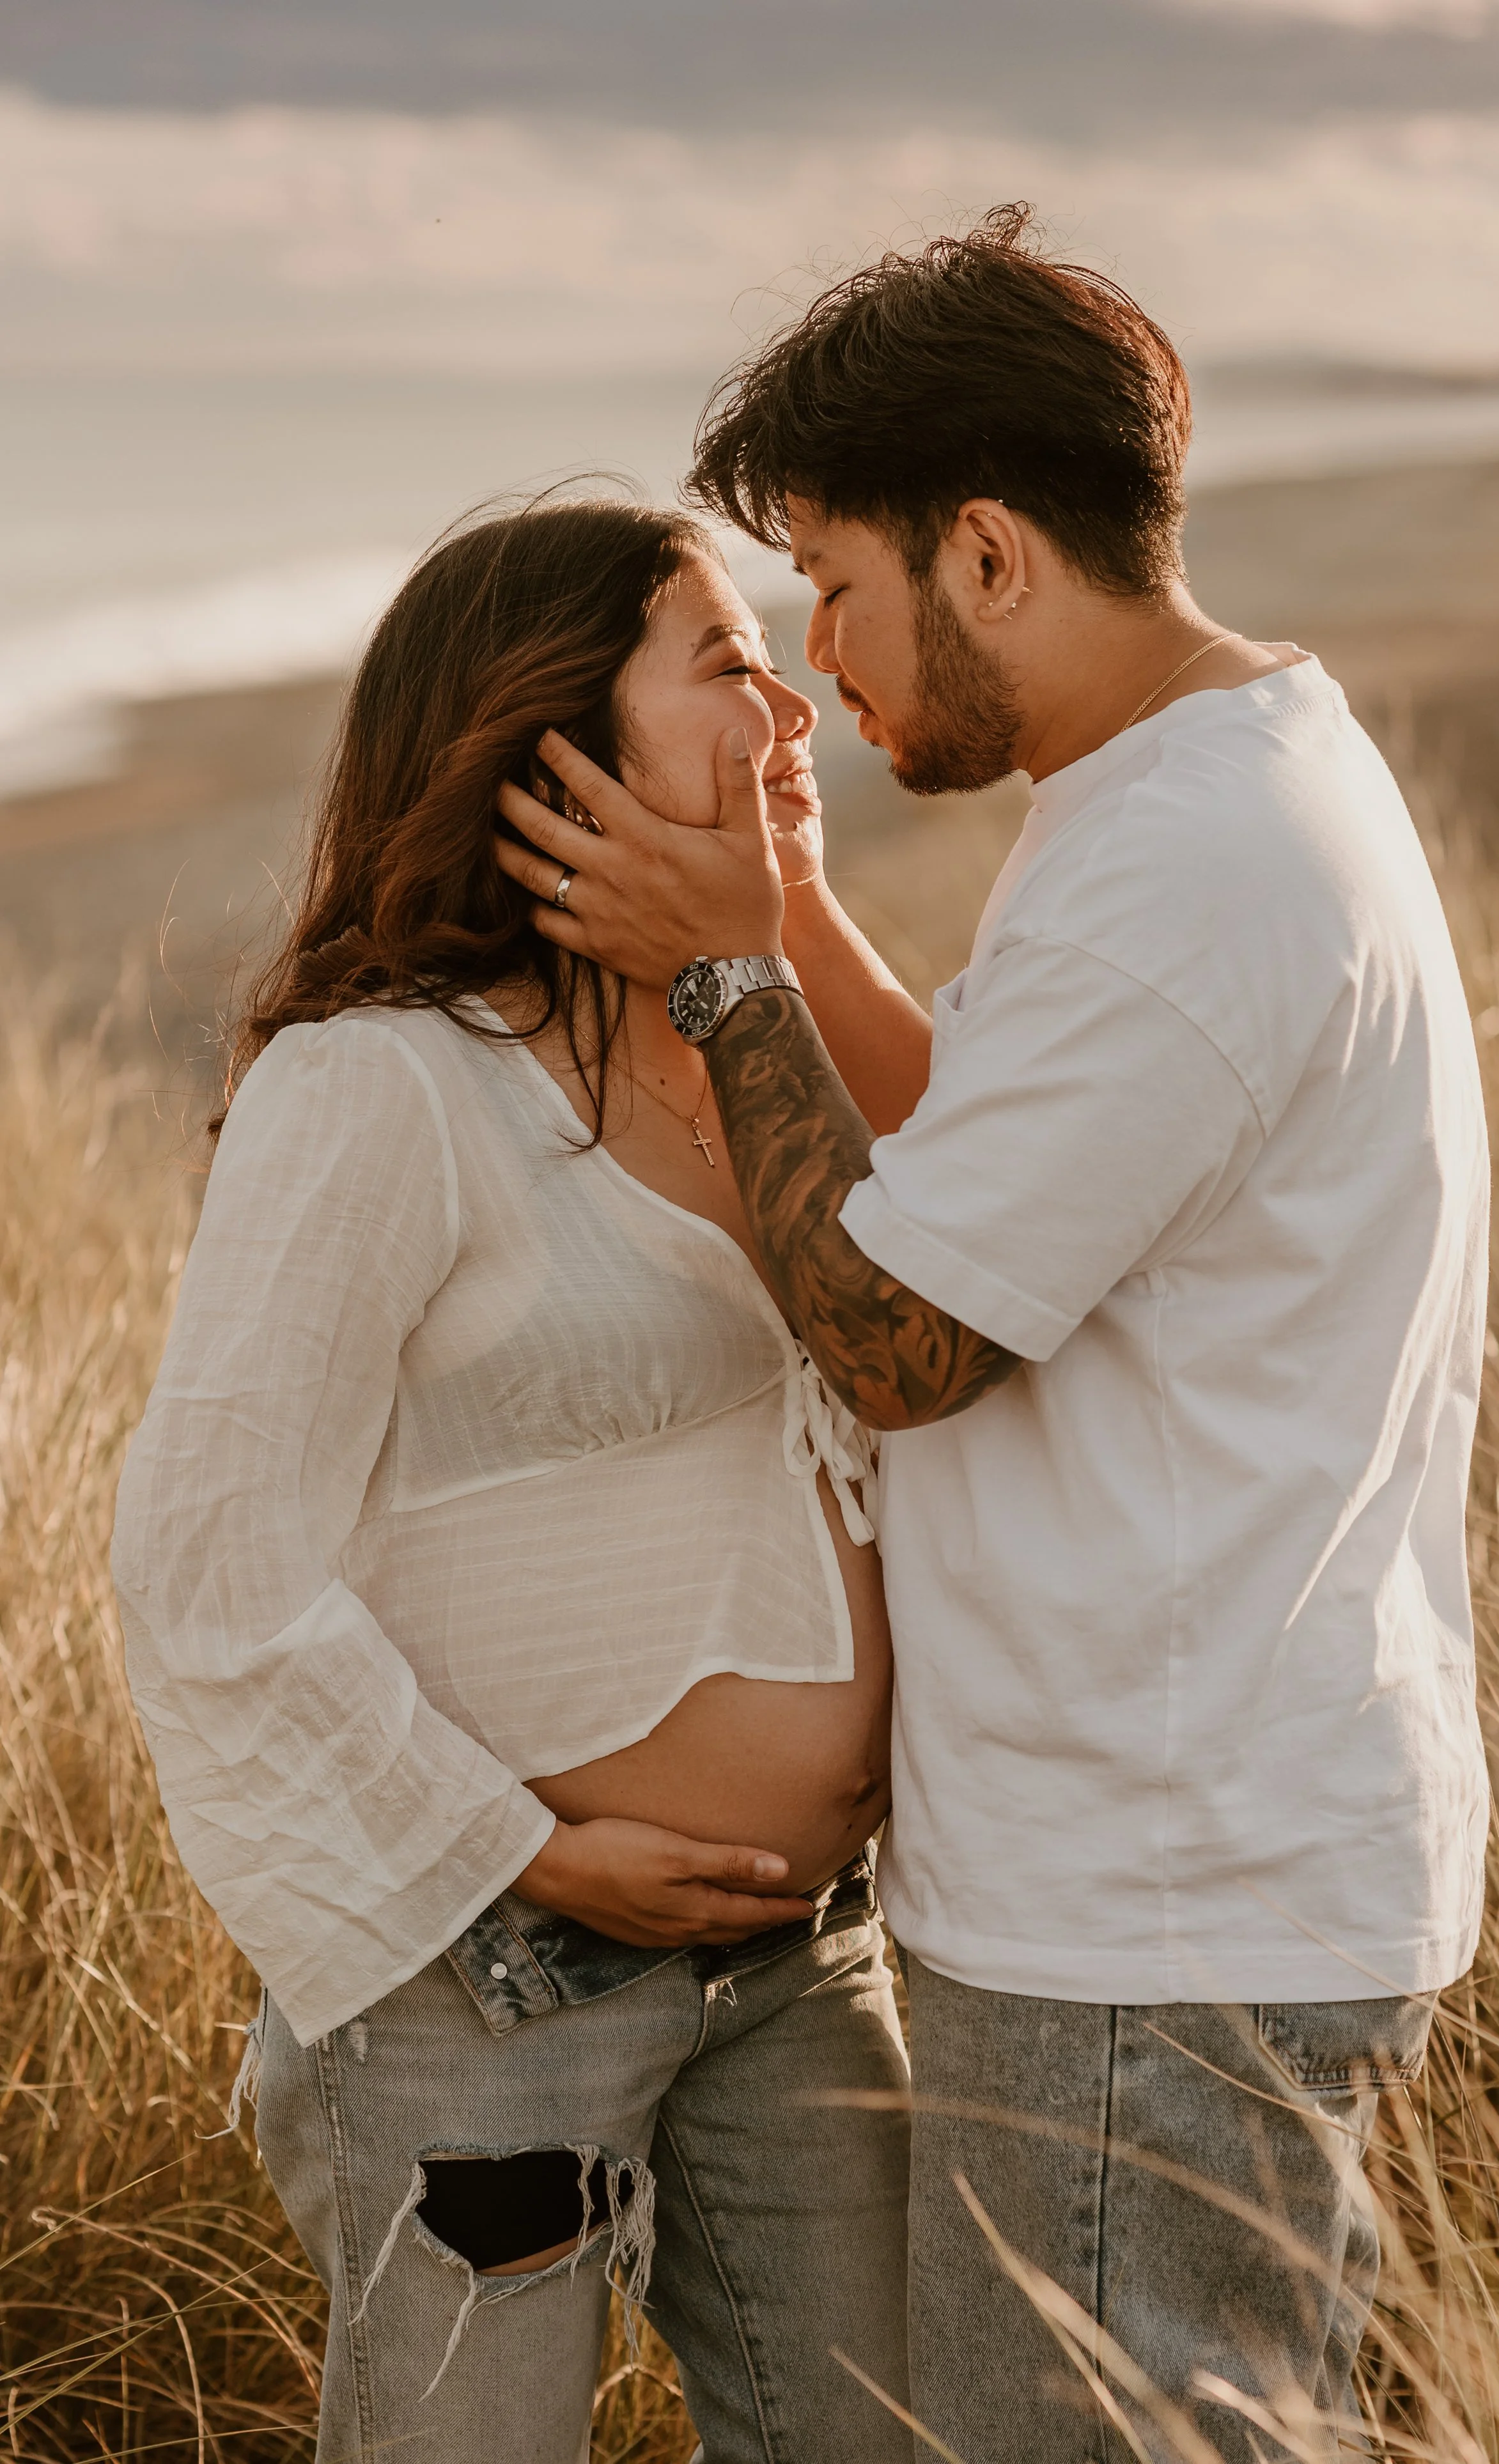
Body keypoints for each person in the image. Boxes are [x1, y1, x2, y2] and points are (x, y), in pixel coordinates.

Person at [492, 207, 1493, 2463]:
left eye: (835, 587)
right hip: (1197, 1849)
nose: (817, 661)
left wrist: (723, 973)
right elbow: (1001, 1158)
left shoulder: (1187, 869)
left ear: (986, 551)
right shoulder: (1192, 791)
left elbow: (904, 1334)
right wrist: (810, 919)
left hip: (1158, 1897)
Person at [112, 497, 916, 2464]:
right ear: (548, 737)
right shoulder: (382, 1083)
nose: (791, 694)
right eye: (724, 661)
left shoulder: (767, 1043)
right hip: (496, 1974)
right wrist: (516, 1853)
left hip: (812, 1955)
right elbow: (208, 1561)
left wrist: (773, 921)